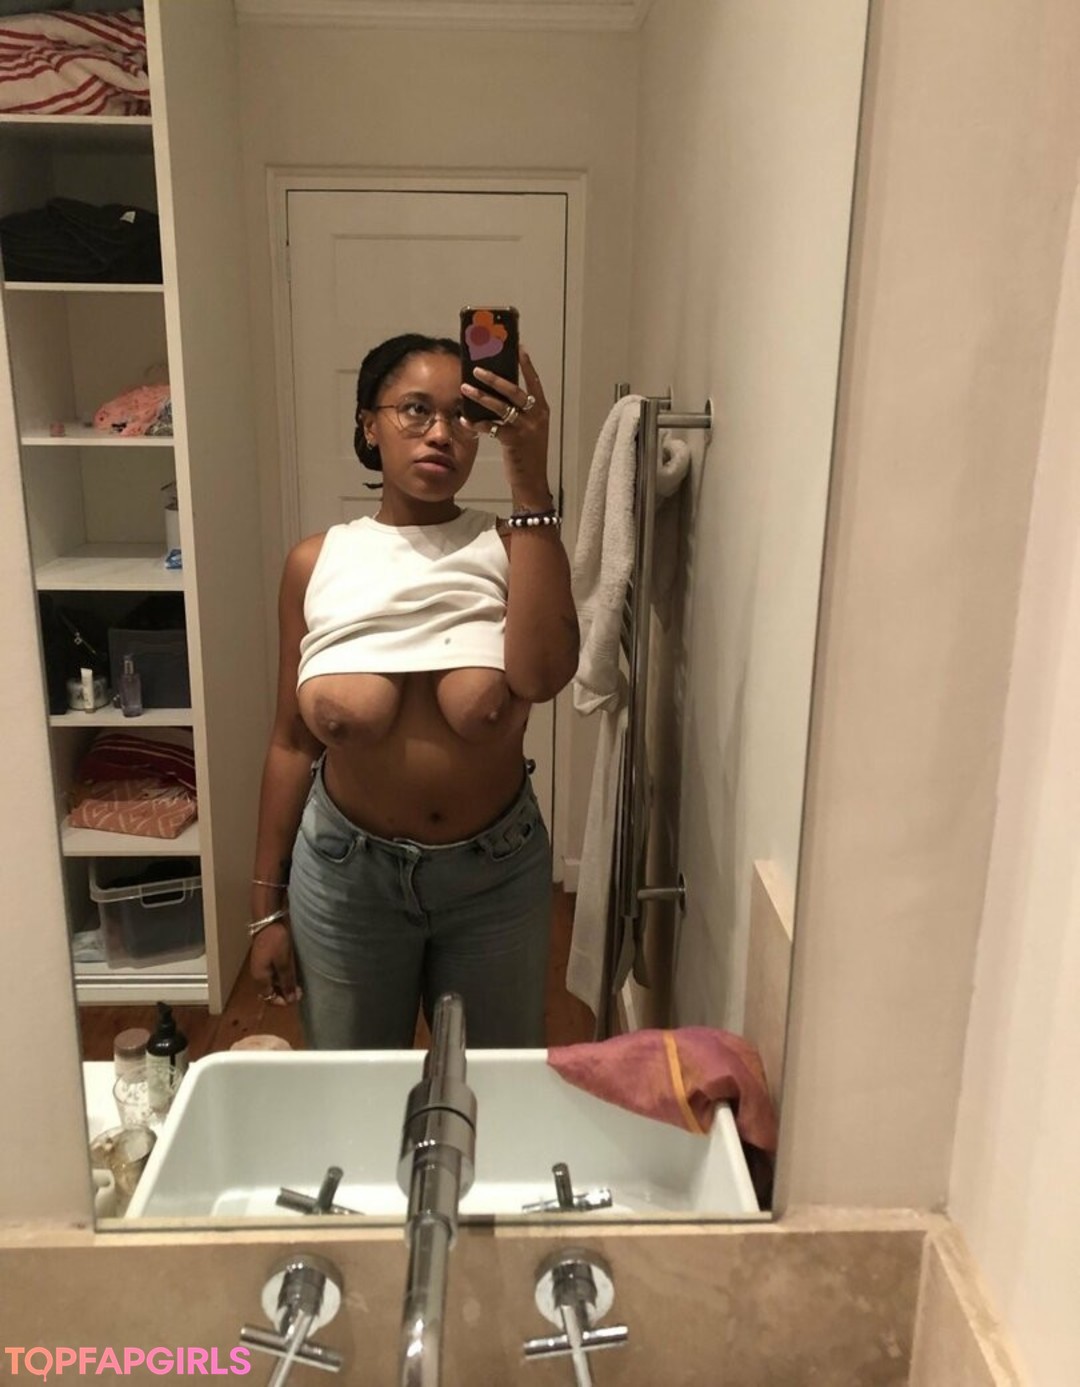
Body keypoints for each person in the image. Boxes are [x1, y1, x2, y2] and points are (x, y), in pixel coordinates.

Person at [248, 331, 579, 1049]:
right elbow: (290, 742)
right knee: (353, 1093)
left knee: (494, 1088)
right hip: (345, 879)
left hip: (495, 877)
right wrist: (265, 909)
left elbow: (546, 676)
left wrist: (530, 480)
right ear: (369, 424)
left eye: (463, 414)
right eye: (415, 409)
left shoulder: (513, 546)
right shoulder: (316, 563)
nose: (441, 433)